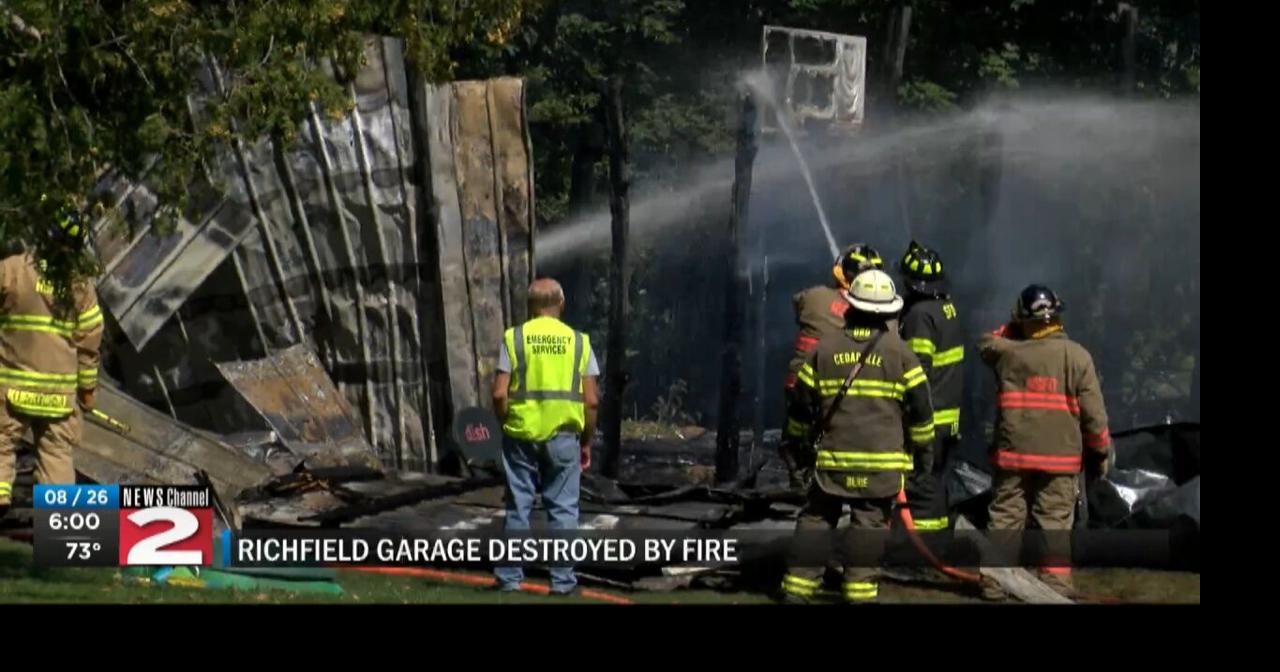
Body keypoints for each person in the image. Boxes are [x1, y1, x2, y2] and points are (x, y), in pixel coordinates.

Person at [779, 269, 934, 603]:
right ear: (890, 311)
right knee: (868, 527)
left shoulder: (823, 350)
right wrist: (924, 454)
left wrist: (795, 448)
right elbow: (922, 413)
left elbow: (800, 408)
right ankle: (859, 593)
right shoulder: (903, 354)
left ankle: (797, 589)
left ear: (849, 305)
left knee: (817, 519)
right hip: (880, 467)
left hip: (831, 462)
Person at [978, 284, 1112, 600]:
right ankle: (1054, 587)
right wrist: (1100, 451)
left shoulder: (1007, 353)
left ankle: (995, 583)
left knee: (1006, 517)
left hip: (1013, 457)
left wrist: (1013, 326)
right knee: (1054, 524)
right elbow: (1095, 415)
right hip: (1061, 460)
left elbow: (985, 342)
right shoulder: (1078, 357)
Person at [491, 278, 599, 595]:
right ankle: (563, 583)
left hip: (520, 435)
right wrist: (587, 441)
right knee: (563, 511)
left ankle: (509, 580)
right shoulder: (579, 342)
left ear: (531, 306)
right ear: (561, 304)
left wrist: (505, 424)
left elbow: (499, 393)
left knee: (518, 508)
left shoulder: (515, 338)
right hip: (565, 437)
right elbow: (591, 400)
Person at [0, 198, 103, 516]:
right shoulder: (79, 285)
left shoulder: (12, 270)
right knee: (57, 454)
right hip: (58, 398)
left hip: (10, 390)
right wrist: (87, 391)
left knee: (1, 443)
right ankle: (59, 521)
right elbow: (89, 343)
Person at [780, 243, 885, 487]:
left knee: (797, 431)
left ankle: (799, 471)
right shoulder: (879, 314)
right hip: (844, 388)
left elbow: (798, 307)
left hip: (799, 384)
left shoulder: (814, 296)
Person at [896, 241, 964, 532]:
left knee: (919, 484)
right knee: (934, 480)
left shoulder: (919, 316)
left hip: (928, 416)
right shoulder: (946, 308)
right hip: (948, 417)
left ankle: (920, 551)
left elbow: (916, 371)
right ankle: (938, 538)